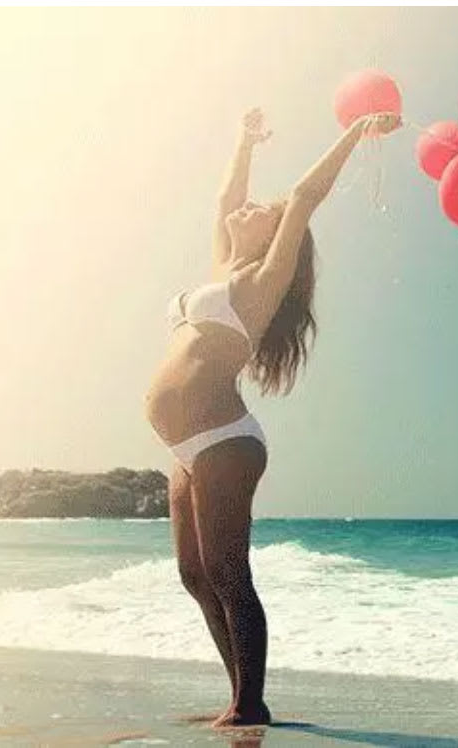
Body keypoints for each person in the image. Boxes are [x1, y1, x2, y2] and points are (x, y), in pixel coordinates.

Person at [144, 107, 399, 727]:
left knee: (230, 572)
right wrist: (244, 140)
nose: (248, 207)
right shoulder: (220, 269)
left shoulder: (262, 279)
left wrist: (358, 128)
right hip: (185, 449)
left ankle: (249, 703)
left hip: (225, 441)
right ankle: (239, 695)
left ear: (275, 233)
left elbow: (306, 196)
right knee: (194, 576)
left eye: (263, 210)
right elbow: (225, 196)